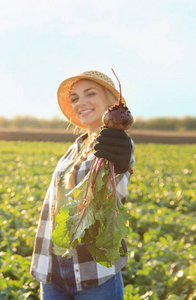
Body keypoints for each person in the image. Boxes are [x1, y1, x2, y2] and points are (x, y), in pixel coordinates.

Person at [30, 70, 135, 300]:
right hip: (53, 270)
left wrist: (121, 163)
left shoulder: (116, 144)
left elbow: (118, 186)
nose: (81, 102)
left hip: (94, 273)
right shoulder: (74, 148)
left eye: (90, 94)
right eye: (75, 98)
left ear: (110, 101)